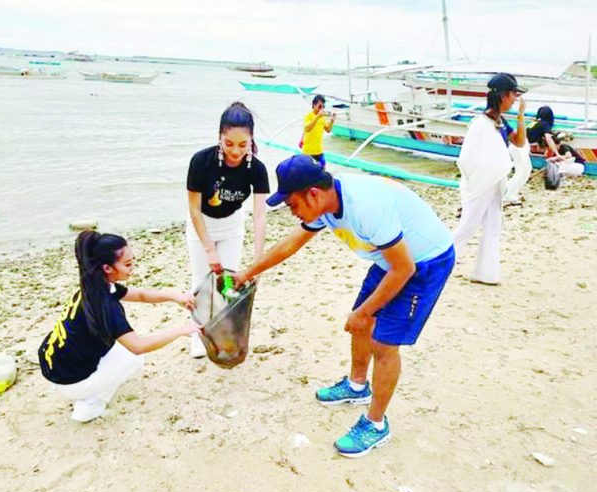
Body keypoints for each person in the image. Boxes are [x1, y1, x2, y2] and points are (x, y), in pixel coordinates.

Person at [232, 155, 455, 457]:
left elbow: (404, 270)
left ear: (313, 193)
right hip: (388, 258)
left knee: (383, 343)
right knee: (361, 325)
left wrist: (364, 312)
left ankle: (376, 424)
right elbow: (289, 245)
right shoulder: (325, 205)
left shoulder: (364, 206)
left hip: (425, 262)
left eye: (292, 204)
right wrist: (247, 273)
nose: (292, 211)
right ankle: (356, 385)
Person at [38, 231, 200, 423]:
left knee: (119, 348)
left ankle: (84, 387)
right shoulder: (105, 305)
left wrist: (175, 296)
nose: (132, 269)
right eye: (128, 264)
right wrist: (181, 330)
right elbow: (138, 346)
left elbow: (141, 295)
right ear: (107, 268)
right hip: (68, 380)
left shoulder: (92, 286)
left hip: (52, 362)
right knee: (133, 358)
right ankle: (89, 404)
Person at [186, 101, 270, 358]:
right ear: (220, 137)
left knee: (227, 283)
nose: (236, 151)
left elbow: (259, 215)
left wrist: (258, 262)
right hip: (202, 225)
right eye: (229, 143)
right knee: (201, 281)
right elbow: (194, 209)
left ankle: (220, 330)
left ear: (251, 140)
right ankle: (197, 334)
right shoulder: (201, 161)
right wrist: (209, 248)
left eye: (243, 145)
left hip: (233, 224)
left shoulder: (257, 169)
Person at [453, 72, 526, 284]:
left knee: (494, 225)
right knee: (468, 225)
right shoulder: (480, 124)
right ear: (503, 96)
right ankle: (432, 263)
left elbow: (519, 142)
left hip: (494, 181)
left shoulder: (501, 122)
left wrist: (521, 116)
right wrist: (484, 175)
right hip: (481, 182)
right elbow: (468, 158)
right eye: (513, 94)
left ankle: (486, 273)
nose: (515, 99)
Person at [505, 105, 559, 205]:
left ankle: (511, 191)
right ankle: (510, 195)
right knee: (521, 171)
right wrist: (557, 153)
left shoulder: (535, 123)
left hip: (518, 145)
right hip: (520, 146)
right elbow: (548, 139)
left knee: (525, 170)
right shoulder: (545, 124)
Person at [301, 94, 336, 167]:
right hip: (308, 152)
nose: (321, 108)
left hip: (319, 151)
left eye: (323, 106)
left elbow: (328, 130)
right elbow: (307, 128)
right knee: (309, 174)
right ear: (314, 105)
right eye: (319, 106)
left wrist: (332, 121)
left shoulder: (322, 117)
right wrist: (317, 117)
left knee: (322, 170)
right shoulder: (309, 116)